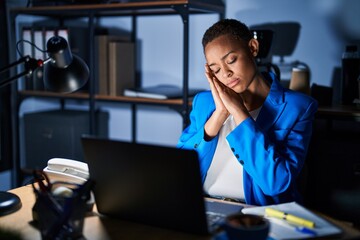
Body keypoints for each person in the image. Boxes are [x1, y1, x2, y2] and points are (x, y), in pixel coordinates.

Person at [177, 19, 318, 206]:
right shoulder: (203, 102)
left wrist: (239, 112)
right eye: (216, 70)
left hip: (257, 214)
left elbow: (276, 183)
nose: (226, 73)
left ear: (252, 47)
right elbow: (181, 172)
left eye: (231, 60)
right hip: (201, 208)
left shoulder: (298, 107)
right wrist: (218, 116)